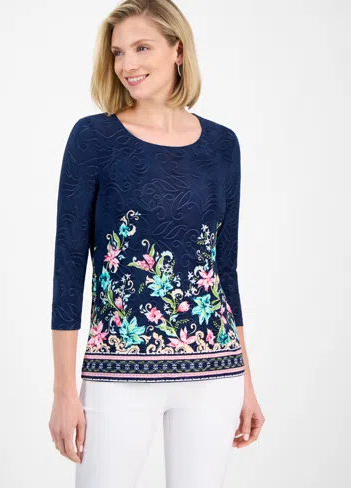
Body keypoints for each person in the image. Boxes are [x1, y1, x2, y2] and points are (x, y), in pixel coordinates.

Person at [48, 1, 265, 487]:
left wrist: (247, 383)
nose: (127, 64)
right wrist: (64, 391)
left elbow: (223, 271)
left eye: (142, 48)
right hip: (117, 371)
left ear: (178, 50)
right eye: (118, 52)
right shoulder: (94, 138)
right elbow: (68, 267)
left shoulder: (222, 145)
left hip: (215, 371)